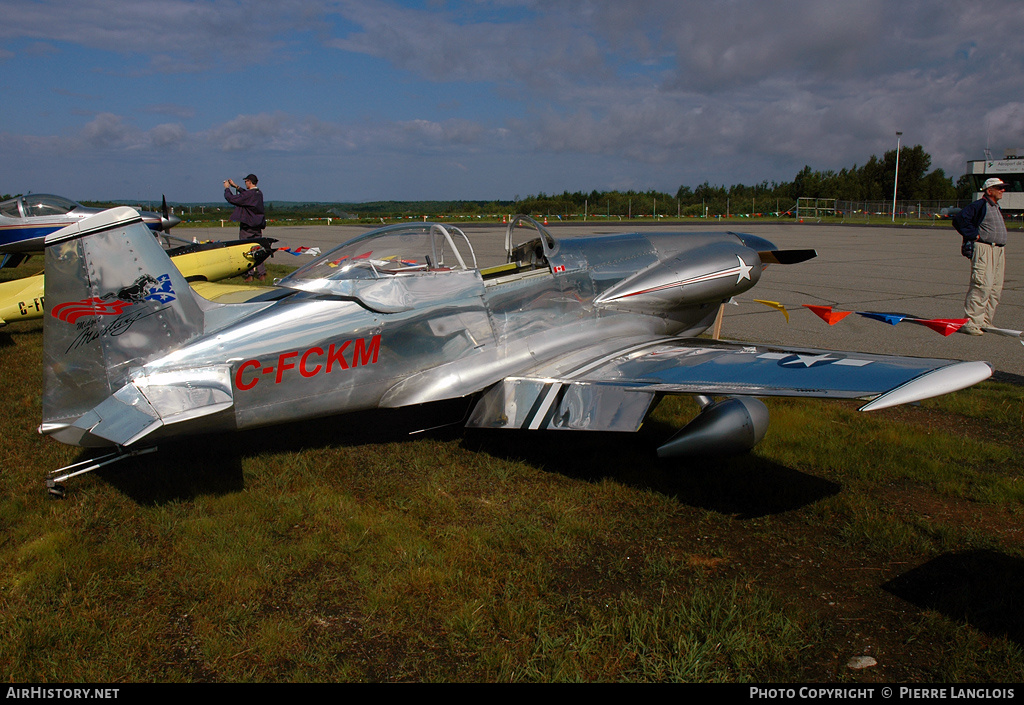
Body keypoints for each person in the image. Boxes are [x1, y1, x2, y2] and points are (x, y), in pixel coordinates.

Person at [953, 177, 1009, 335]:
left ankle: (985, 321)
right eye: (999, 188)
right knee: (981, 285)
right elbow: (960, 219)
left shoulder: (995, 206)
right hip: (985, 249)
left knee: (995, 288)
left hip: (998, 250)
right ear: (989, 191)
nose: (1002, 190)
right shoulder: (980, 205)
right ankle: (971, 322)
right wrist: (973, 235)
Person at [223, 173, 267, 280]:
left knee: (246, 249)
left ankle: (249, 274)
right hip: (258, 225)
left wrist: (227, 189)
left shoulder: (249, 195)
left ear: (249, 182)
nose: (245, 183)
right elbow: (247, 195)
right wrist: (236, 186)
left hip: (248, 226)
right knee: (258, 249)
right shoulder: (258, 193)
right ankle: (262, 274)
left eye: (246, 181)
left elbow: (232, 199)